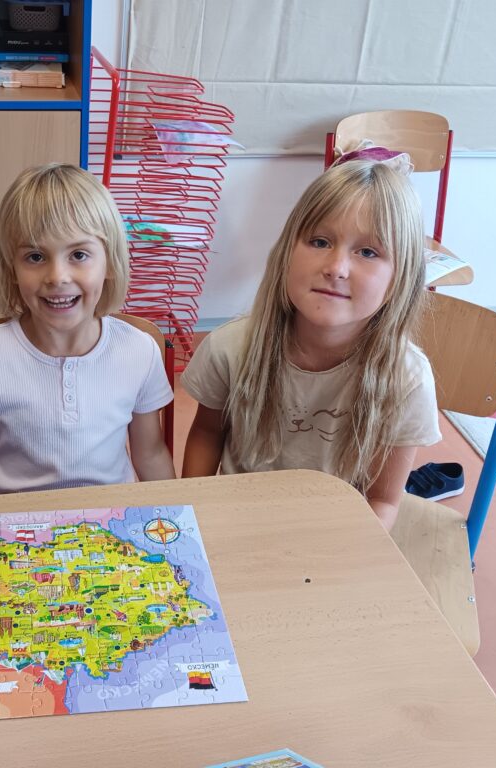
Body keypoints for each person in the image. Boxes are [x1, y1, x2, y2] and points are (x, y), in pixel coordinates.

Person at [181, 159, 441, 531]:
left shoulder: (408, 381)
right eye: (320, 242)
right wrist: (196, 520)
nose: (336, 268)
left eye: (368, 252)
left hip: (336, 533)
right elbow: (207, 434)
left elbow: (382, 501)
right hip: (236, 523)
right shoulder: (229, 348)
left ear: (401, 277)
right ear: (287, 251)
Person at [0, 163, 175, 499]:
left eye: (78, 254)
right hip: (12, 520)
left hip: (109, 519)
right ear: (11, 268)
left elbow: (151, 455)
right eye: (35, 256)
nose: (57, 277)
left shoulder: (139, 350)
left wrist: (174, 514)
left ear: (109, 262)